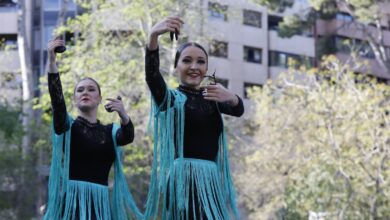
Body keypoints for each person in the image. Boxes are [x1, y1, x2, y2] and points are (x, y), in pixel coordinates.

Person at [144, 16, 244, 220]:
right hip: (183, 178)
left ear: (206, 69)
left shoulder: (212, 98)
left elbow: (238, 109)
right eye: (187, 60)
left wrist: (232, 97)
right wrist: (153, 36)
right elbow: (152, 76)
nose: (194, 66)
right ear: (176, 66)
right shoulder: (170, 98)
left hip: (210, 180)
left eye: (201, 61)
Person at [43, 38, 142, 220]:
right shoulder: (67, 127)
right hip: (73, 204)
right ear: (74, 99)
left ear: (99, 98)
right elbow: (57, 100)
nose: (85, 92)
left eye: (91, 89)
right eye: (80, 90)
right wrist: (51, 61)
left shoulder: (110, 132)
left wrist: (123, 115)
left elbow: (127, 136)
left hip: (100, 205)